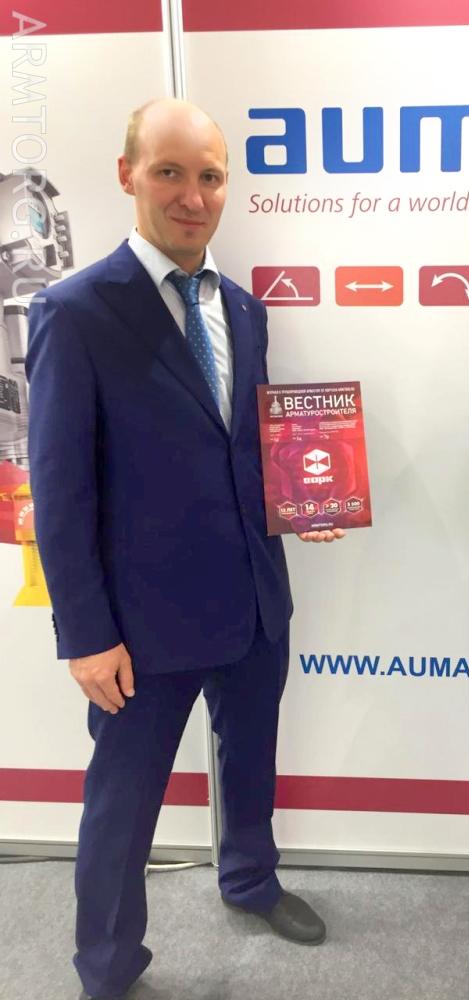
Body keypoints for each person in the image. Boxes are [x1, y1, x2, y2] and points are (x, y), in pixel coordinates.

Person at [26, 98, 343, 1000]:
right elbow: (60, 490)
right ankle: (107, 965)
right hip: (138, 626)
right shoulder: (74, 311)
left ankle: (250, 880)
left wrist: (299, 503)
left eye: (209, 176)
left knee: (250, 759)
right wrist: (86, 634)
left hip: (253, 598)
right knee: (122, 804)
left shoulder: (244, 309)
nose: (192, 196)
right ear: (127, 174)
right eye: (169, 172)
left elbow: (243, 446)